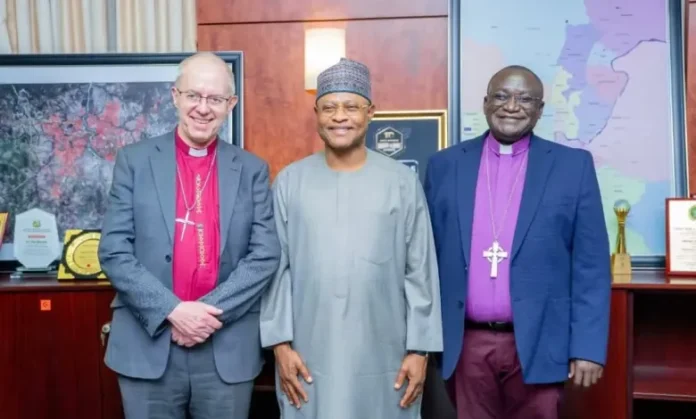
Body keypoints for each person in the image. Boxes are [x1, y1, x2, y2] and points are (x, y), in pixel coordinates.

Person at [98, 52, 281, 419]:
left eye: (215, 99)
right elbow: (114, 250)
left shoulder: (252, 170)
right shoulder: (134, 161)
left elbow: (264, 255)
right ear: (175, 96)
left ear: (231, 104)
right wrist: (172, 310)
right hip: (148, 345)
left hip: (225, 349)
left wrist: (204, 316)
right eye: (194, 95)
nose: (203, 108)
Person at [259, 57, 444, 419]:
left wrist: (419, 350)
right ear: (316, 114)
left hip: (387, 357)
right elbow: (275, 271)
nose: (339, 117)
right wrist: (280, 345)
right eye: (329, 108)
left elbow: (420, 271)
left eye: (351, 107)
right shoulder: (289, 182)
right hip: (308, 356)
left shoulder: (401, 182)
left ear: (370, 113)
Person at [424, 65, 611, 419]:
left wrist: (588, 347)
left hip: (542, 341)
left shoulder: (573, 166)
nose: (511, 106)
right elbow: (424, 257)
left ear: (540, 110)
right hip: (465, 345)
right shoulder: (444, 166)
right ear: (485, 103)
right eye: (501, 96)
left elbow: (591, 266)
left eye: (525, 99)